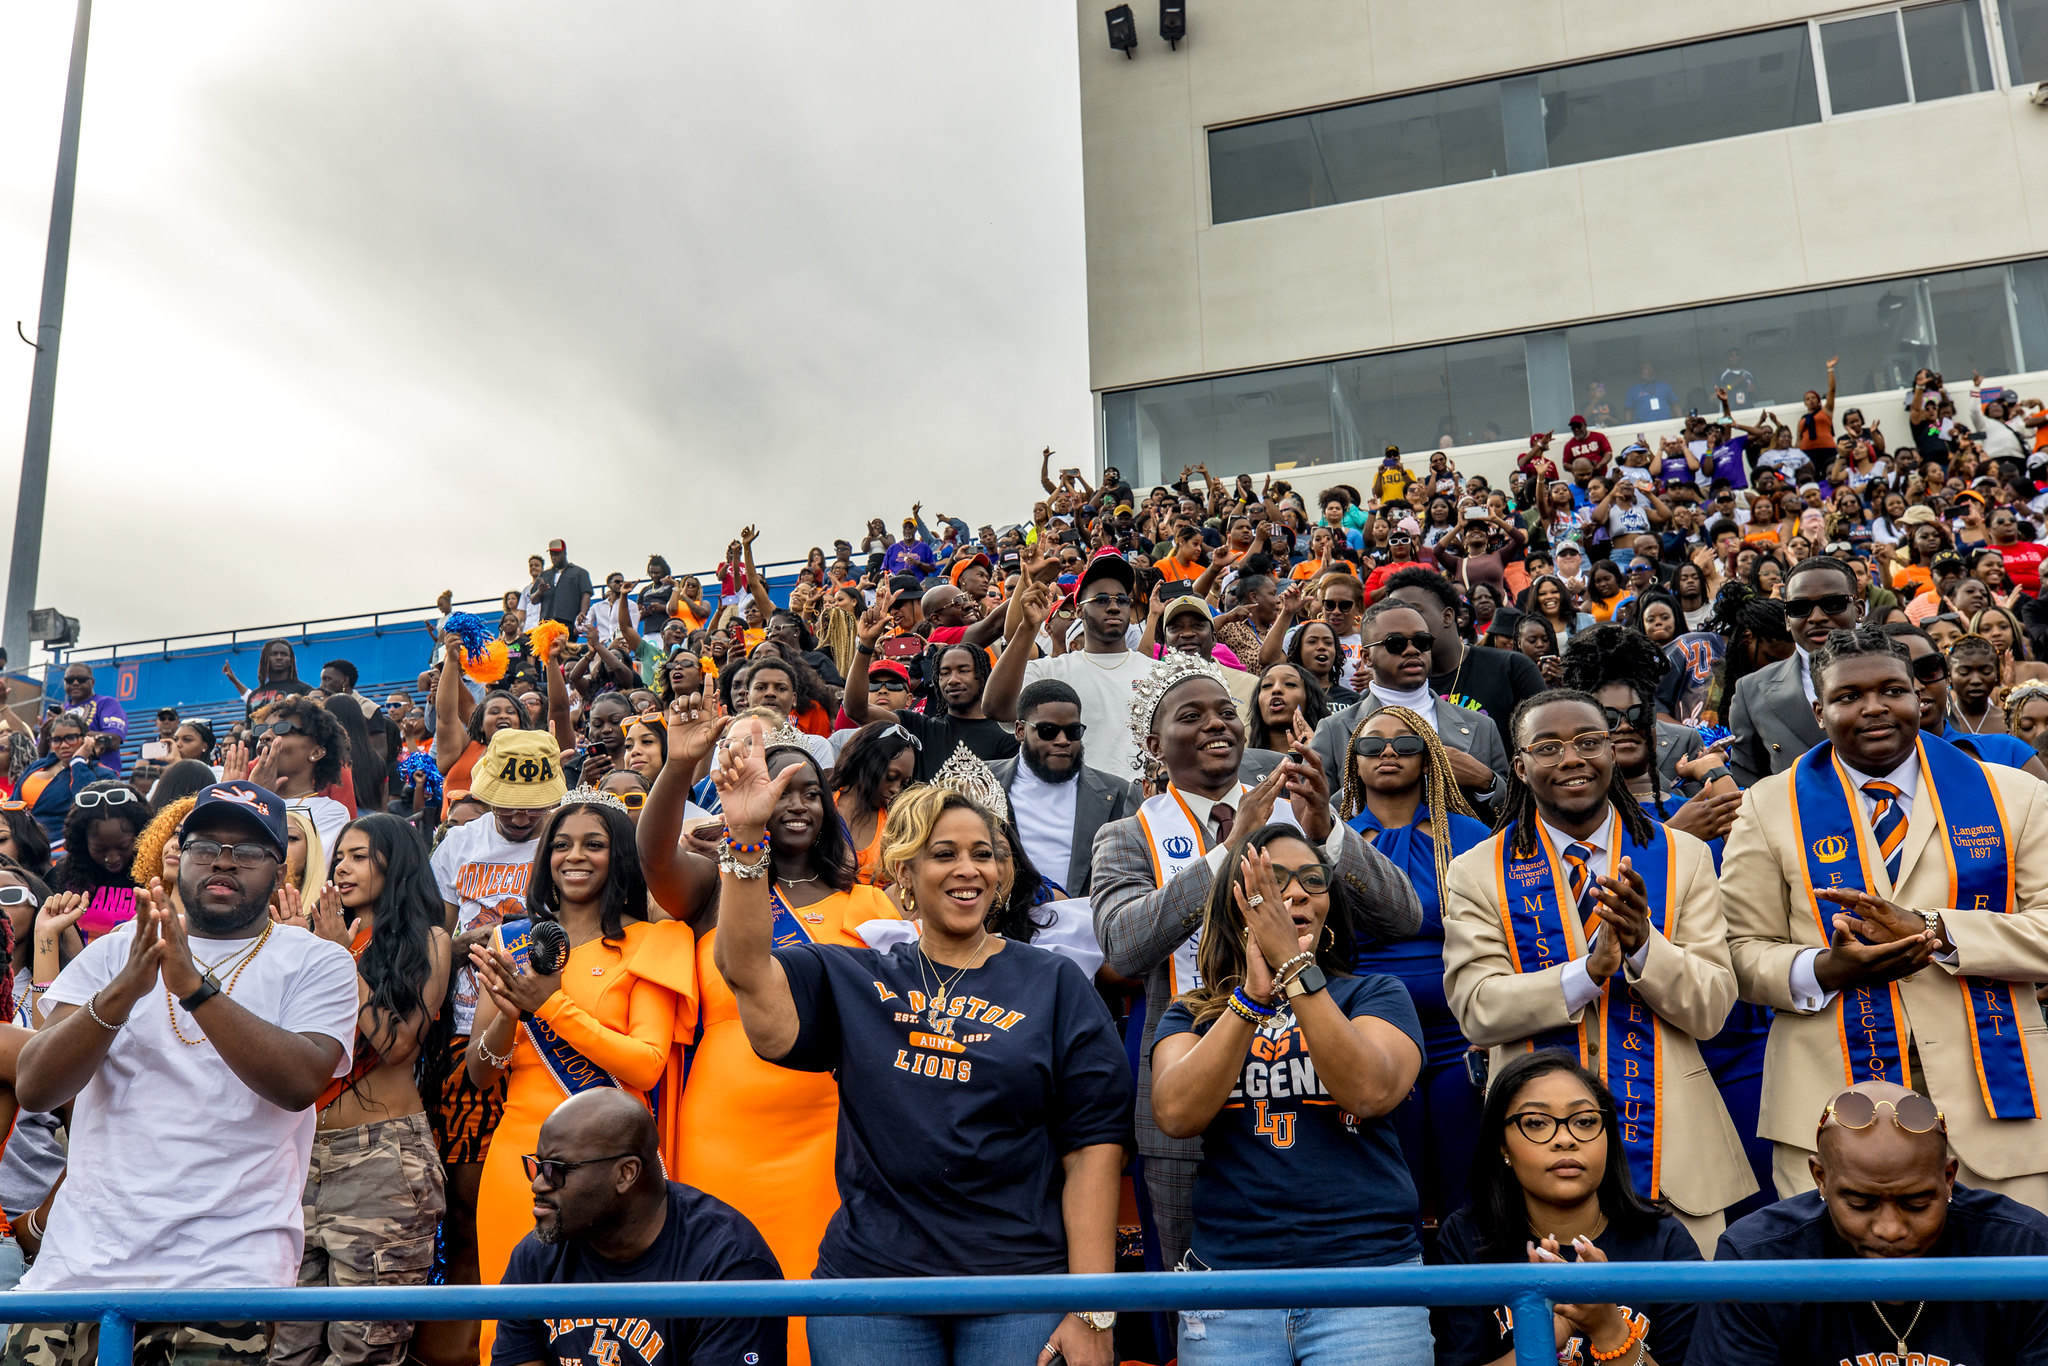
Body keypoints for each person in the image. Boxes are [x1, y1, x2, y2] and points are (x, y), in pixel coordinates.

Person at [712, 734, 1132, 1366]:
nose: (968, 869)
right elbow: (746, 971)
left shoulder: (1055, 985)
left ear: (1003, 873)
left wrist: (1091, 1308)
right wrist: (746, 837)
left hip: (1020, 1284)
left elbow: (1093, 1150)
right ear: (904, 874)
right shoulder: (858, 976)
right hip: (875, 1286)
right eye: (944, 854)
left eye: (984, 854)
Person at [5, 781, 359, 1365]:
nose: (223, 860)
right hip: (76, 1275)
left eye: (247, 851)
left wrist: (193, 986)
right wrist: (124, 990)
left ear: (279, 872)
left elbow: (300, 1083)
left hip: (220, 1282)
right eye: (207, 845)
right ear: (180, 856)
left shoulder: (316, 960)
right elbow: (38, 1085)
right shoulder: (118, 950)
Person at [1092, 652, 1420, 1272]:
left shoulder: (1292, 813)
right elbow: (1124, 946)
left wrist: (1324, 829)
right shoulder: (1127, 835)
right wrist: (1228, 851)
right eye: (1191, 716)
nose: (1217, 724)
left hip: (1317, 1087)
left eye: (1225, 712)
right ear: (1155, 747)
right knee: (1198, 1294)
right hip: (1191, 1078)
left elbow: (1401, 916)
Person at [1720, 625, 2048, 1209]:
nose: (1874, 708)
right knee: (1845, 1293)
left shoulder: (2014, 794)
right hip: (1828, 1097)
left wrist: (1935, 931)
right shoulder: (1768, 806)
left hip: (1997, 1093)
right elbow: (1739, 950)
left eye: (1892, 690)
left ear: (1918, 697)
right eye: (1848, 697)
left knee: (2007, 1289)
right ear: (1819, 712)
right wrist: (1824, 969)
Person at [1442, 690, 1755, 1251]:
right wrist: (1587, 972)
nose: (1572, 759)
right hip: (1536, 1160)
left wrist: (1641, 947)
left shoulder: (1684, 855)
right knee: (1550, 1332)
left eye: (1589, 741)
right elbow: (1476, 1009)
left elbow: (1711, 1010)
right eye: (1549, 747)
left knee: (1680, 1331)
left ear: (1614, 751)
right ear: (1519, 765)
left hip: (1674, 1155)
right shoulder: (1475, 871)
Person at [642, 699, 893, 1366]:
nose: (797, 805)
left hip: (838, 1127)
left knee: (822, 1291)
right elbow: (653, 857)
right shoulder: (713, 891)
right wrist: (678, 765)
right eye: (778, 792)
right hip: (722, 1125)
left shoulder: (869, 902)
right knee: (725, 1280)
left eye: (811, 792)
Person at [1150, 826, 1429, 1364]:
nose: (1296, 893)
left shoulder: (1375, 993)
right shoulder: (1192, 1012)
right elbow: (1175, 1113)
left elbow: (1371, 1091)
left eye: (1311, 879)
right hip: (1231, 1287)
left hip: (1367, 1282)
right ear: (1237, 904)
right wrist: (1252, 998)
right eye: (1273, 880)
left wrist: (1296, 974)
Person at [465, 790, 696, 1357]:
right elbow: (480, 1073)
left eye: (594, 844)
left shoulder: (655, 941)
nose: (575, 856)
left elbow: (644, 1065)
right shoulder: (512, 940)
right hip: (521, 1162)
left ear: (618, 856)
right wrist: (510, 1016)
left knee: (618, 1334)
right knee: (515, 1327)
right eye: (561, 844)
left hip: (613, 1170)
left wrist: (550, 1007)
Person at [1692, 1078, 2048, 1363]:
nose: (1890, 1229)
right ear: (1821, 1178)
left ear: (1949, 1178)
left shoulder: (2024, 1249)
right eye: (1861, 1204)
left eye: (1917, 1203)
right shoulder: (1756, 1258)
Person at [272, 814, 454, 1366]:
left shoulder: (431, 940)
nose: (342, 868)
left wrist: (334, 956)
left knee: (365, 1349)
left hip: (382, 1160)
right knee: (285, 1347)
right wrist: (290, 949)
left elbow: (396, 1043)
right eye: (340, 857)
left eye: (359, 856)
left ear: (395, 863)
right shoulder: (316, 936)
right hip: (298, 1158)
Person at [426, 727, 565, 1366]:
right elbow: (434, 940)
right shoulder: (459, 844)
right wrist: (476, 942)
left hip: (556, 1036)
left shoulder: (570, 840)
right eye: (506, 798)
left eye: (530, 801)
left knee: (552, 1197)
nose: (517, 812)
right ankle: (471, 1338)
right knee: (468, 1201)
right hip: (464, 1035)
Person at [1433, 1052, 1702, 1366]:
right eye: (1536, 1122)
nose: (1564, 1139)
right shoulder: (1467, 1237)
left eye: (1585, 1121)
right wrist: (1543, 1334)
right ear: (1502, 1145)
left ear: (1608, 1137)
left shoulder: (1664, 1240)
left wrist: (1609, 1329)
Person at [492, 1089, 788, 1366]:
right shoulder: (538, 1255)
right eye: (537, 1165)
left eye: (556, 1170)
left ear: (625, 1174)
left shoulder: (729, 1267)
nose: (538, 1183)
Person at [1337, 705, 1490, 1226]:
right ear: (1352, 762)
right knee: (1390, 1188)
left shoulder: (1471, 837)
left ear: (1428, 760)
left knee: (1465, 1190)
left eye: (1405, 744)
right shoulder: (1335, 841)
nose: (1387, 752)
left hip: (1460, 1036)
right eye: (1371, 744)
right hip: (1371, 1032)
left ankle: (1470, 1305)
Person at [1310, 599, 1508, 809]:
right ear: (1366, 657)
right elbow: (1314, 817)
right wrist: (1362, 784)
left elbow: (1512, 807)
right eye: (1395, 643)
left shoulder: (1482, 726)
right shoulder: (1333, 730)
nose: (1412, 650)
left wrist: (1486, 781)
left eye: (1422, 641)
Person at [984, 553, 1153, 779]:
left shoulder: (1156, 671)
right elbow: (996, 707)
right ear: (1079, 611)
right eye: (1101, 599)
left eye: (1121, 599)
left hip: (1148, 804)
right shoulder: (1051, 671)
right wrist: (1028, 627)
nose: (1114, 607)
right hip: (1081, 804)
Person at [987, 680, 1139, 899]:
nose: (1063, 740)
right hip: (1001, 926)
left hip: (1086, 926)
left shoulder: (1119, 794)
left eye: (1073, 731)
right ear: (1020, 730)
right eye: (1048, 730)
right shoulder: (981, 782)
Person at [845, 594, 1016, 780]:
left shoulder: (1007, 735)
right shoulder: (918, 728)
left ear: (982, 677)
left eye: (963, 670)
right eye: (944, 673)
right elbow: (857, 710)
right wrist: (866, 645)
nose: (953, 680)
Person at [1727, 556, 1864, 786]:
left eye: (1833, 604)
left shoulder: (1903, 671)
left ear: (1858, 609)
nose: (1817, 617)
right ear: (1787, 619)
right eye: (1800, 608)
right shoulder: (1750, 691)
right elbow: (1750, 785)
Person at [1379, 568, 1545, 735]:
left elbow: (1545, 738)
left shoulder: (1511, 668)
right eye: (1394, 616)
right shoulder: (1391, 684)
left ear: (1448, 616)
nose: (1401, 624)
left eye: (1413, 612)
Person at [828, 721, 919, 886]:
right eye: (891, 777)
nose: (896, 789)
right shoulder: (822, 808)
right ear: (865, 760)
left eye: (903, 782)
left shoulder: (896, 827)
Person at [15, 712, 118, 844]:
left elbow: (87, 808)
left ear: (86, 739)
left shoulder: (104, 775)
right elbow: (13, 805)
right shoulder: (37, 766)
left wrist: (78, 762)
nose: (63, 745)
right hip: (22, 841)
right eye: (56, 740)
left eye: (70, 738)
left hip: (60, 847)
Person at [58, 664, 127, 775]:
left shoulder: (107, 703)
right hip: (63, 777)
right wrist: (45, 731)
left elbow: (113, 740)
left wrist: (66, 732)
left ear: (93, 682)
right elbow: (40, 750)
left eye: (81, 679)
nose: (75, 683)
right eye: (70, 680)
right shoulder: (59, 711)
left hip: (100, 776)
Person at [225, 638, 312, 722]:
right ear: (266, 660)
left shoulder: (304, 690)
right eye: (274, 654)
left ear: (291, 660)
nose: (279, 657)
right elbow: (248, 727)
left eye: (284, 654)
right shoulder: (254, 695)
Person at [543, 539, 595, 633]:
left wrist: (581, 616)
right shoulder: (545, 574)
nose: (554, 557)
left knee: (568, 647)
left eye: (557, 554)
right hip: (547, 622)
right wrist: (539, 591)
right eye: (552, 555)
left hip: (568, 621)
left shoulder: (579, 572)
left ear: (564, 553)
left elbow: (586, 595)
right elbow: (533, 599)